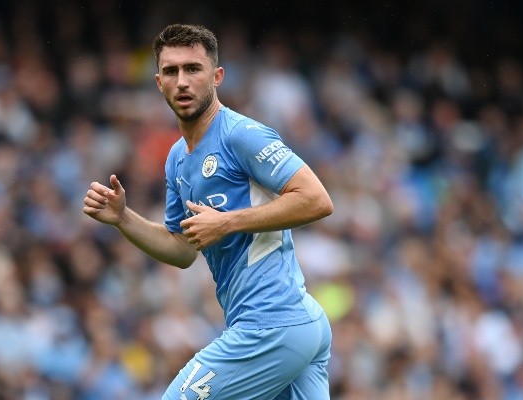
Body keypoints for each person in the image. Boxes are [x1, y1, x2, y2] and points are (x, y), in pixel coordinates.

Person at [83, 23, 334, 400]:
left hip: (271, 324)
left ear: (217, 76)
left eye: (193, 69)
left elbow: (316, 199)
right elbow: (183, 249)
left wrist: (227, 222)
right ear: (159, 83)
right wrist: (123, 218)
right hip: (295, 324)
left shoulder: (241, 135)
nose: (182, 81)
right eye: (171, 71)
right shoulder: (176, 159)